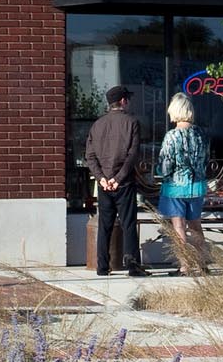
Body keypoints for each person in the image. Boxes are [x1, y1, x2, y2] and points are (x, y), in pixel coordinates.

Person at [84, 83, 144, 277]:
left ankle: (102, 267)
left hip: (104, 185)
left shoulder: (97, 125)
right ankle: (133, 266)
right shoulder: (132, 122)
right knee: (128, 224)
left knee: (104, 225)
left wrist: (102, 179)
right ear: (123, 101)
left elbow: (90, 156)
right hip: (124, 183)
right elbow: (132, 155)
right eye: (127, 99)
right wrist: (118, 179)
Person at [157, 91, 212, 274]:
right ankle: (203, 262)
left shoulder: (172, 136)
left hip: (175, 187)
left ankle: (185, 265)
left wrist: (160, 173)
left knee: (178, 226)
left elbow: (165, 166)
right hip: (197, 187)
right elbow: (206, 160)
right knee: (196, 225)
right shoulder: (201, 135)